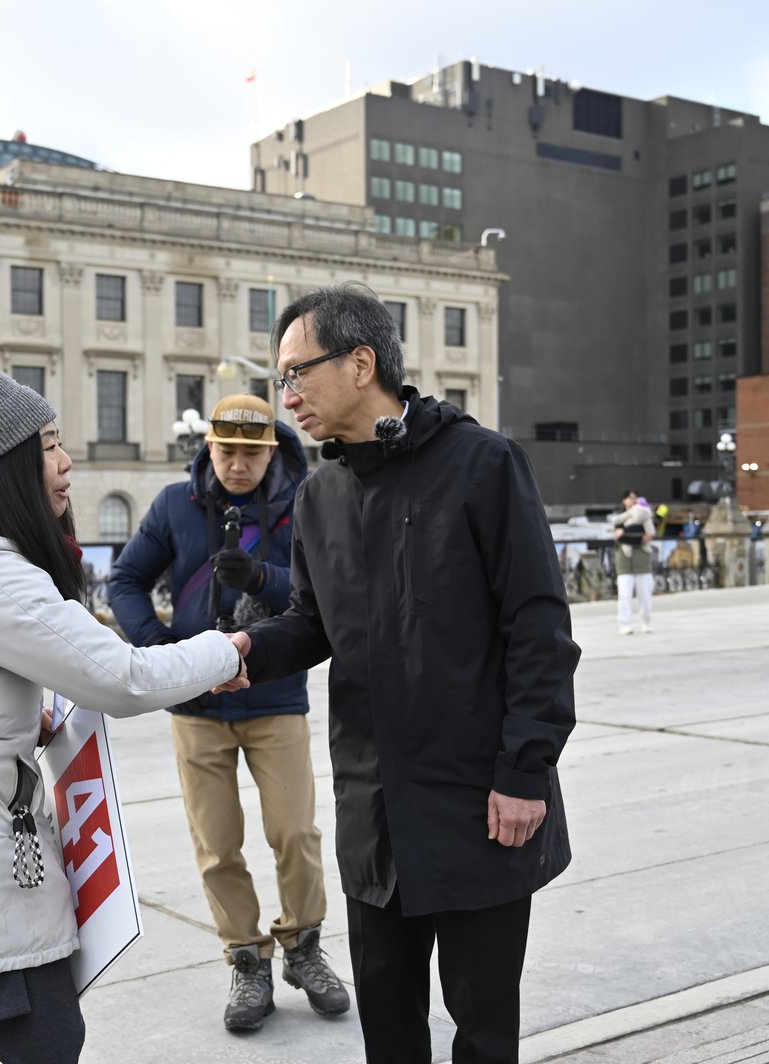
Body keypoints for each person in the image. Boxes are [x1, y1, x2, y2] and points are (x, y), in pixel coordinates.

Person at [0, 362, 248, 1064]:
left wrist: (14, 717)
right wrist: (225, 650)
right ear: (5, 465)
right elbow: (120, 678)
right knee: (50, 1041)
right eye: (51, 446)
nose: (67, 464)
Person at [227, 283, 579, 1064]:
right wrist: (247, 652)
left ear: (361, 363)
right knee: (388, 1033)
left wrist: (524, 772)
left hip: (480, 805)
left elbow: (539, 628)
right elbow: (313, 625)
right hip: (374, 813)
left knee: (484, 1033)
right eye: (278, 378)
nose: (285, 396)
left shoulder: (483, 465)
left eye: (295, 373)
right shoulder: (320, 498)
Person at [107, 393, 348, 1032]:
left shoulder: (304, 502)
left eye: (251, 452)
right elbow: (124, 580)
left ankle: (303, 946)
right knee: (217, 846)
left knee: (295, 831)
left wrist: (261, 578)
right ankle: (247, 960)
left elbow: (321, 593)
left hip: (274, 694)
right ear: (208, 447)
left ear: (272, 450)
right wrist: (157, 649)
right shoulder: (174, 506)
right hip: (195, 705)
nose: (238, 465)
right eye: (227, 451)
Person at [611, 490, 656, 635]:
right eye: (630, 498)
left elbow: (649, 535)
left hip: (641, 557)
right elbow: (618, 535)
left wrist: (629, 535)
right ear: (624, 500)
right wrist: (633, 535)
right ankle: (625, 624)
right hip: (624, 558)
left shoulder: (644, 515)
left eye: (635, 497)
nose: (633, 500)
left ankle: (646, 622)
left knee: (645, 594)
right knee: (624, 594)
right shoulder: (620, 517)